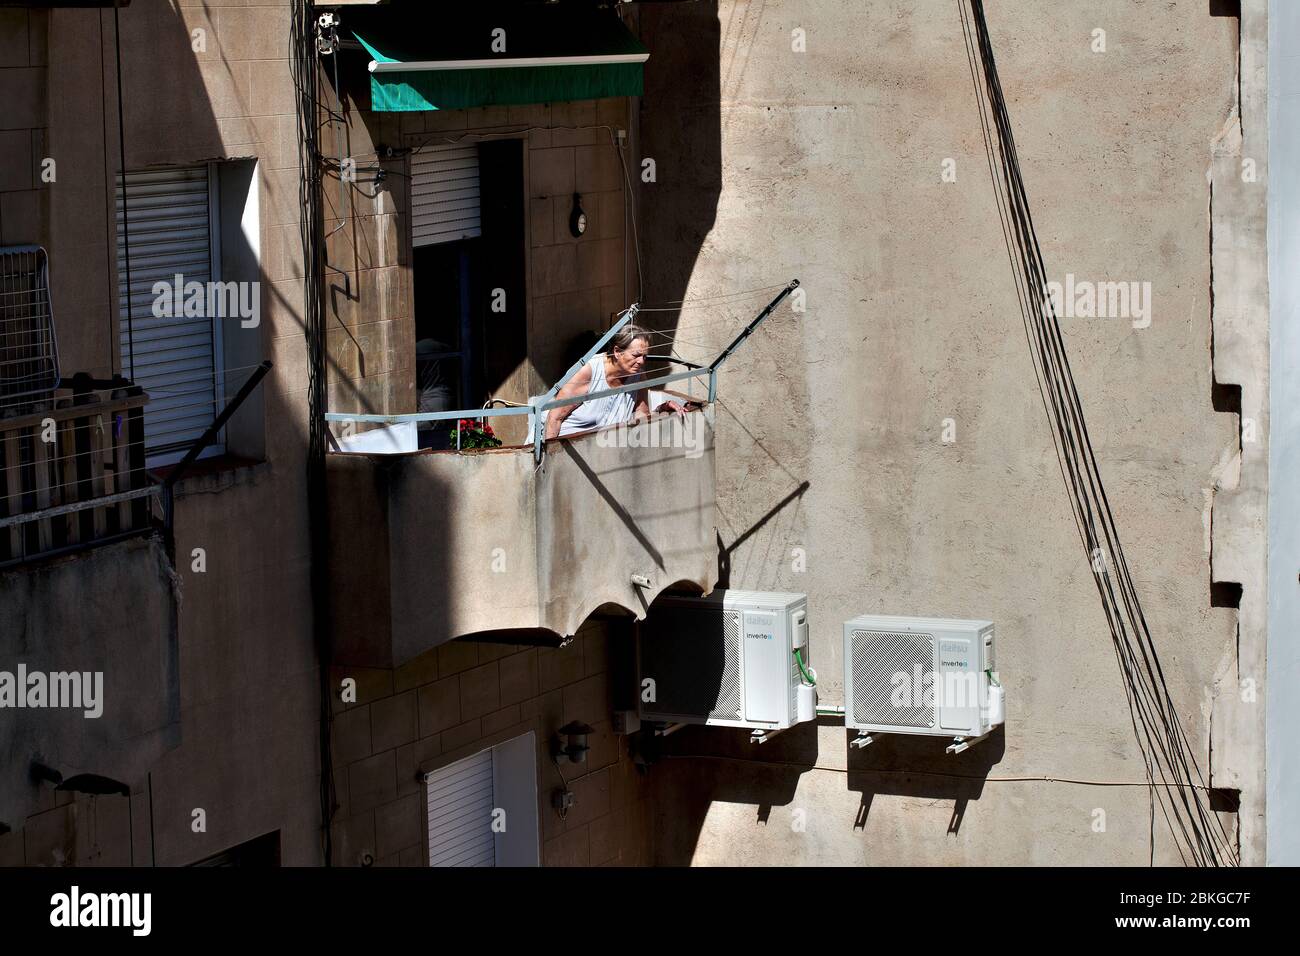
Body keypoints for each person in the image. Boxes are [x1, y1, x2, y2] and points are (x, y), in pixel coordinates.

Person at [544, 325, 690, 439]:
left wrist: (663, 409)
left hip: (600, 452)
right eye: (636, 355)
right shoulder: (588, 371)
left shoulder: (638, 376)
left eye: (645, 356)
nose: (641, 361)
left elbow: (641, 416)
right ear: (617, 351)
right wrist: (550, 461)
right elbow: (554, 418)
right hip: (563, 451)